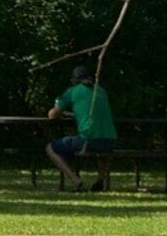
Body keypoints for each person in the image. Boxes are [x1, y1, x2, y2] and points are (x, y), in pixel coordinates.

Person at [47, 64, 116, 192]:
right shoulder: (100, 90)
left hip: (89, 139)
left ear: (74, 80)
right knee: (101, 151)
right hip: (110, 139)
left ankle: (75, 179)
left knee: (51, 148)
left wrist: (60, 109)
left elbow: (52, 115)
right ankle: (101, 178)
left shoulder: (73, 91)